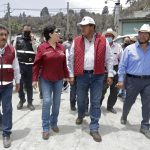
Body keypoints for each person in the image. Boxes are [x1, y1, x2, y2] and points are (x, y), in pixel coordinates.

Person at [68, 16, 114, 142]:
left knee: (95, 102)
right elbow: (70, 58)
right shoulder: (76, 41)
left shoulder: (102, 40)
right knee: (81, 100)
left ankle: (94, 127)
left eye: (85, 26)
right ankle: (81, 114)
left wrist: (110, 74)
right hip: (81, 76)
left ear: (92, 27)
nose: (82, 28)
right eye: (81, 26)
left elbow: (109, 58)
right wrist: (71, 74)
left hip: (97, 76)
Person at [32, 25, 69, 140]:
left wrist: (67, 76)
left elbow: (64, 64)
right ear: (50, 34)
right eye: (56, 32)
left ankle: (54, 123)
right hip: (46, 79)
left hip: (58, 79)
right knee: (47, 102)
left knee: (57, 103)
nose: (59, 34)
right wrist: (34, 79)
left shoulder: (61, 47)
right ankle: (45, 128)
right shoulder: (42, 47)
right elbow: (37, 64)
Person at [117, 24, 150, 139]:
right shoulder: (129, 49)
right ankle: (124, 115)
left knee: (147, 104)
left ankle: (145, 125)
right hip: (132, 80)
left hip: (148, 81)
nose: (143, 36)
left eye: (146, 34)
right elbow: (122, 66)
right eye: (141, 33)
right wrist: (121, 80)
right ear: (138, 35)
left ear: (149, 36)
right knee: (129, 101)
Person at [0, 24, 21, 148]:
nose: (3, 37)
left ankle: (6, 133)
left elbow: (16, 67)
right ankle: (1, 121)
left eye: (5, 35)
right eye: (1, 35)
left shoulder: (12, 50)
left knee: (7, 108)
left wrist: (17, 82)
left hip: (7, 85)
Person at [13, 24, 37, 111]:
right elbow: (13, 50)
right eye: (25, 31)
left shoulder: (34, 39)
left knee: (29, 85)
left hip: (30, 66)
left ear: (31, 31)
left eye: (28, 31)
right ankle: (22, 99)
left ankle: (30, 102)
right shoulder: (17, 38)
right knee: (20, 84)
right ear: (22, 30)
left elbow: (36, 51)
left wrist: (33, 41)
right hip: (20, 65)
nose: (27, 32)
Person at [100, 28, 123, 114]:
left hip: (115, 69)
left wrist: (120, 72)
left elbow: (122, 60)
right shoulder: (101, 46)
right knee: (102, 90)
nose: (108, 37)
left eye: (110, 36)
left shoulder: (118, 47)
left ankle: (110, 106)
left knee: (114, 91)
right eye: (107, 36)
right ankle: (97, 106)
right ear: (104, 37)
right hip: (104, 70)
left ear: (113, 37)